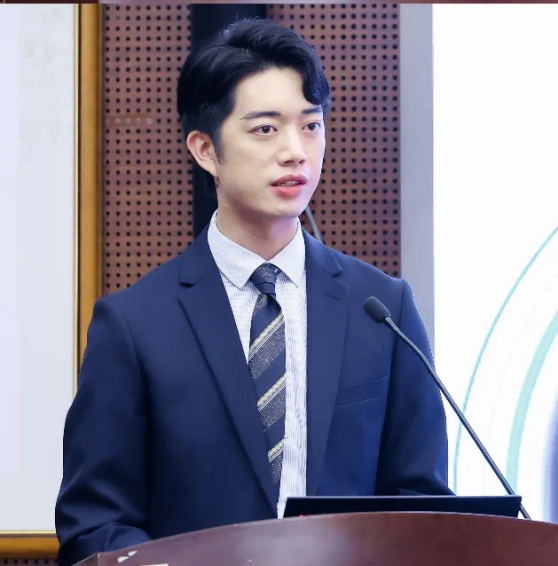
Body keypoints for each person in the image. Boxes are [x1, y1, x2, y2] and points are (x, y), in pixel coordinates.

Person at [55, 18, 451, 566]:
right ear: (205, 149)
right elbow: (94, 526)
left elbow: (424, 506)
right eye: (266, 129)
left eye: (311, 126)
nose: (295, 151)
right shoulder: (134, 326)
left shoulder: (382, 309)